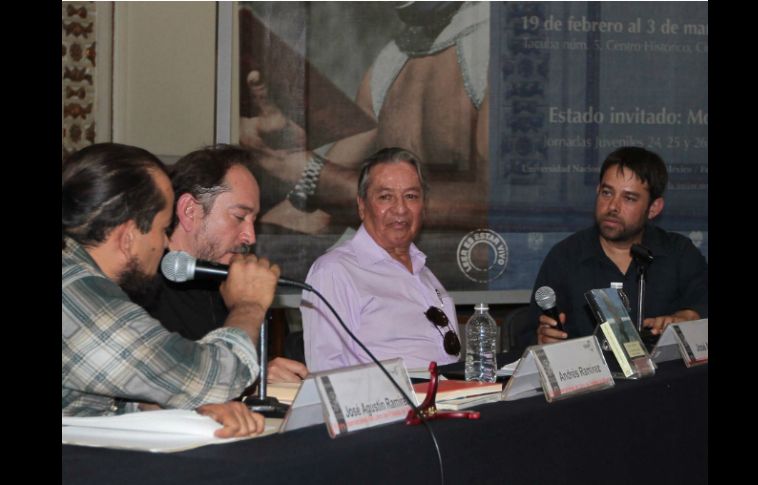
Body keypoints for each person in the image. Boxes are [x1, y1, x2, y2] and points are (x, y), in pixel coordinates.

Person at [62, 143, 279, 438]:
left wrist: (157, 406)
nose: (165, 244)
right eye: (163, 230)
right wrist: (248, 306)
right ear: (127, 237)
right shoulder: (77, 293)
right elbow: (211, 382)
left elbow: (84, 400)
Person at [239, 1, 489, 234]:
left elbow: (494, 203)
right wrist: (281, 155)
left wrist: (311, 172)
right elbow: (314, 210)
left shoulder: (499, 51)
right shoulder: (389, 64)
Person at [141, 144, 309, 383]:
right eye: (239, 217)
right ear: (189, 211)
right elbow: (168, 383)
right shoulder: (142, 288)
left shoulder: (233, 283)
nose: (250, 236)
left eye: (253, 221)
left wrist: (267, 375)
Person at [522, 146, 708, 348]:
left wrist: (688, 317)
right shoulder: (565, 256)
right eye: (607, 192)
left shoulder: (679, 253)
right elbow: (529, 336)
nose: (612, 206)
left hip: (663, 368)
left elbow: (702, 304)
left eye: (629, 198)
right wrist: (542, 340)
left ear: (653, 208)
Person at [300, 147, 461, 372]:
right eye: (386, 197)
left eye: (411, 196)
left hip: (451, 390)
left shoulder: (422, 271)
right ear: (362, 206)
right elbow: (326, 373)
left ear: (423, 206)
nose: (401, 209)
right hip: (391, 395)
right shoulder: (334, 272)